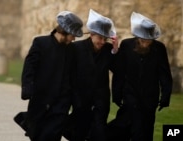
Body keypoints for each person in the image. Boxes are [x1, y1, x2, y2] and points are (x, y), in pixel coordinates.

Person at [20, 11, 83, 141]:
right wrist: (27, 88)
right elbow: (29, 68)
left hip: (61, 104)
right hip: (40, 101)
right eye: (73, 35)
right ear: (65, 31)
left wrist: (74, 99)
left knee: (53, 135)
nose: (74, 39)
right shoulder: (40, 43)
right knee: (38, 135)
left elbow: (74, 76)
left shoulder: (71, 50)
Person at [111, 12, 173, 141]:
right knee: (132, 127)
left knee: (147, 127)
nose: (146, 44)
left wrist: (165, 97)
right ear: (138, 37)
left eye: (149, 41)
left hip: (150, 97)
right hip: (130, 94)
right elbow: (120, 72)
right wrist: (117, 94)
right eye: (143, 41)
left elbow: (164, 73)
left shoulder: (159, 48)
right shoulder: (127, 45)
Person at [65, 9, 118, 141]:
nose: (102, 42)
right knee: (79, 131)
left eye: (105, 39)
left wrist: (115, 51)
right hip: (80, 97)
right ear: (92, 34)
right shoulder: (76, 48)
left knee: (99, 131)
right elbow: (68, 72)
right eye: (100, 38)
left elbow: (118, 69)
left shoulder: (108, 50)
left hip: (101, 98)